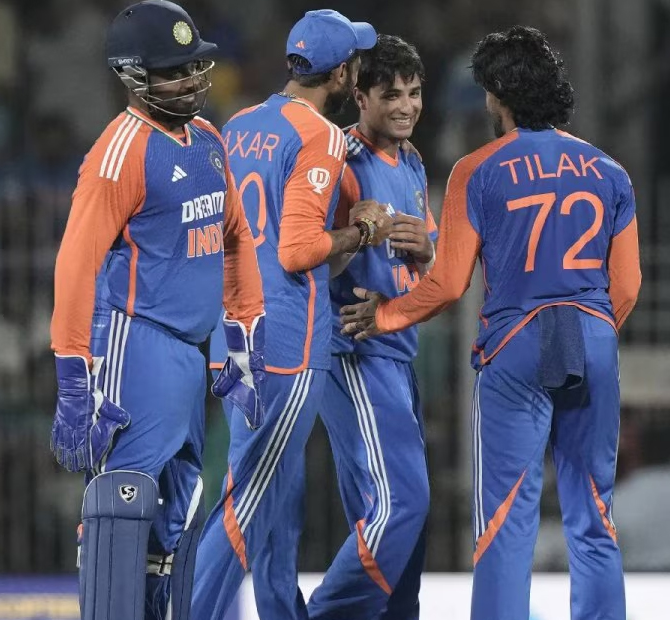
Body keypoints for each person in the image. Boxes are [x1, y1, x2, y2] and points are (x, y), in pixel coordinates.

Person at [340, 25, 641, 620]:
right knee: (594, 516)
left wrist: (386, 314)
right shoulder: (609, 170)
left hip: (516, 343)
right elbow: (627, 286)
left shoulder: (476, 170)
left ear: (499, 96)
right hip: (591, 334)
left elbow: (450, 283)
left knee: (505, 521)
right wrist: (593, 334)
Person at [48, 2, 265, 619]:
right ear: (133, 76)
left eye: (194, 66)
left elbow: (235, 238)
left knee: (178, 515)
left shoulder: (209, 141)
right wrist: (73, 379)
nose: (191, 80)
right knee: (122, 505)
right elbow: (75, 265)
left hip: (190, 354)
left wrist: (241, 346)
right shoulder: (119, 154)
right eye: (174, 71)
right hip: (134, 341)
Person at [190, 9, 386, 620]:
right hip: (286, 340)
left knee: (278, 493)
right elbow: (298, 251)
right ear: (342, 73)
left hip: (234, 328)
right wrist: (362, 231)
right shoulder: (320, 136)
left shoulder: (239, 123)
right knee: (249, 498)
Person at [306, 34, 435, 620]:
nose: (406, 107)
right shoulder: (341, 161)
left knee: (398, 521)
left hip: (399, 352)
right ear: (360, 97)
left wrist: (426, 249)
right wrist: (357, 236)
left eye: (414, 93)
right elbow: (311, 257)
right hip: (356, 352)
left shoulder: (411, 160)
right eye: (391, 95)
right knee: (401, 505)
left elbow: (427, 260)